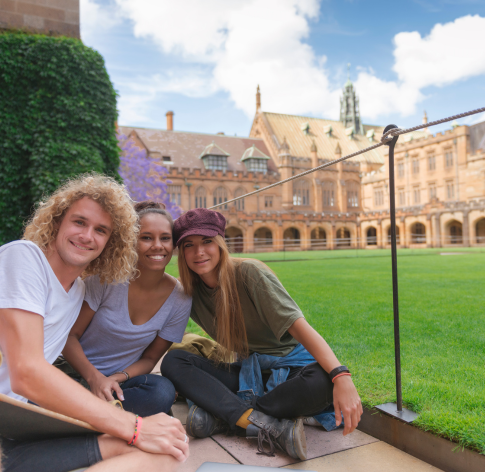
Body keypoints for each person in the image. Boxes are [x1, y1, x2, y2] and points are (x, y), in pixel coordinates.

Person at [0, 175, 189, 472]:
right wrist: (134, 426)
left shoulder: (77, 290)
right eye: (79, 222)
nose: (87, 236)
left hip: (22, 426)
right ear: (57, 221)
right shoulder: (24, 258)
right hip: (16, 415)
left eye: (100, 230)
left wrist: (119, 389)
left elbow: (152, 357)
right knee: (149, 439)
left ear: (111, 243)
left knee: (169, 453)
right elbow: (27, 372)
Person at [161, 208, 363, 460]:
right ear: (181, 252)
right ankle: (264, 422)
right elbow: (157, 338)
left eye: (207, 241)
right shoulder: (187, 293)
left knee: (321, 383)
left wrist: (340, 375)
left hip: (292, 369)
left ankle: (223, 416)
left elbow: (301, 329)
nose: (199, 252)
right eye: (189, 244)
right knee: (174, 361)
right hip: (249, 373)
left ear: (221, 243)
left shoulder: (249, 274)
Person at [61, 201, 191, 417]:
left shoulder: (180, 298)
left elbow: (150, 359)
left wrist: (114, 379)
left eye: (165, 238)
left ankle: (85, 417)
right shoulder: (106, 281)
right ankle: (105, 417)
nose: (158, 245)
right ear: (131, 241)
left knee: (162, 391)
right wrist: (95, 379)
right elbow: (69, 336)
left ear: (173, 244)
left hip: (119, 382)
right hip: (75, 374)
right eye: (146, 237)